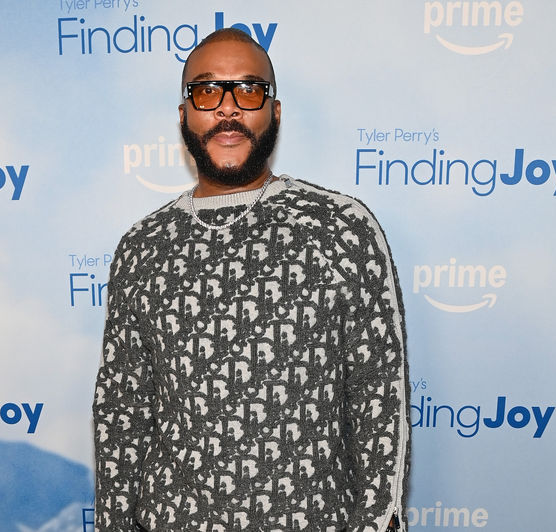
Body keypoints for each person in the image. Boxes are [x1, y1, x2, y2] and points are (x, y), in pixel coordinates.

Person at [93, 28, 410, 532]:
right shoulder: (141, 247)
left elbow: (378, 401)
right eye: (206, 91)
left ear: (275, 112)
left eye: (248, 90)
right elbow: (123, 412)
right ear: (184, 114)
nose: (227, 108)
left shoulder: (341, 229)